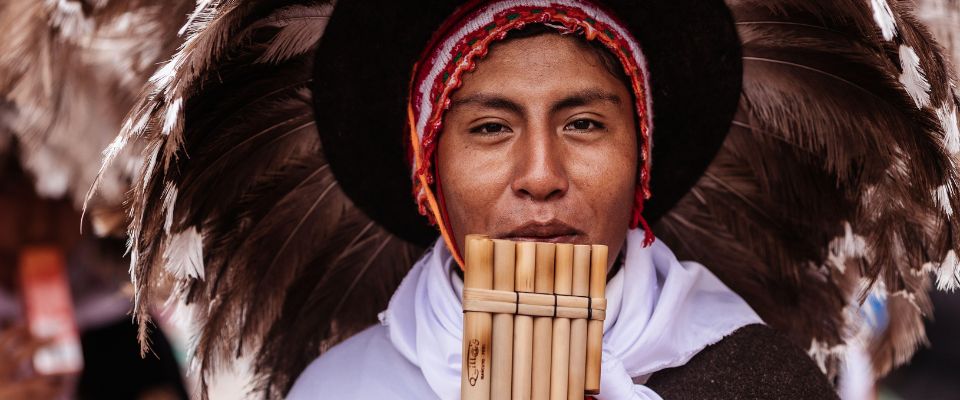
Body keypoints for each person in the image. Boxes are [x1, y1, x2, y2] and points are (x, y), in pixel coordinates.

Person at [93, 0, 960, 398]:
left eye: (584, 124)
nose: (540, 173)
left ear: (641, 166)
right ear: (429, 181)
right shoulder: (344, 388)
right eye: (489, 128)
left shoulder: (753, 382)